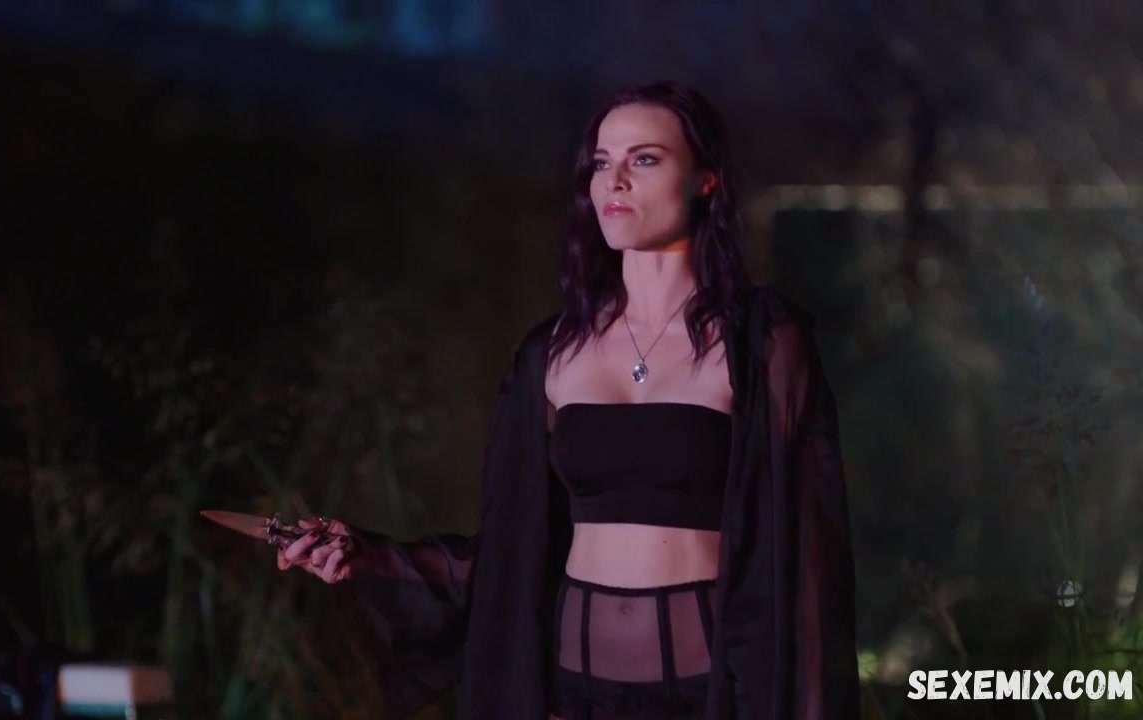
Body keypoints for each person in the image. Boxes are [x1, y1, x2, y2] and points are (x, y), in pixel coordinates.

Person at [276, 81, 860, 720]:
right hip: (569, 692)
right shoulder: (551, 352)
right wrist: (367, 555)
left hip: (705, 693)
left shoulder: (762, 343)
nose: (615, 181)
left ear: (706, 180)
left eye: (644, 159)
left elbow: (805, 557)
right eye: (602, 163)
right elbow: (513, 551)